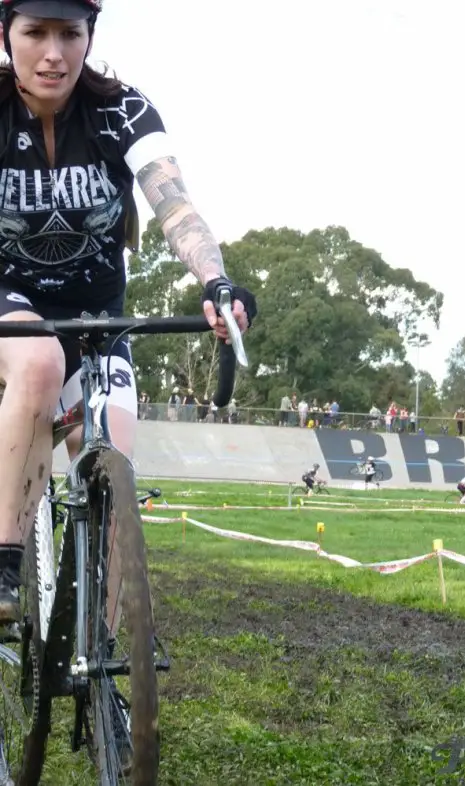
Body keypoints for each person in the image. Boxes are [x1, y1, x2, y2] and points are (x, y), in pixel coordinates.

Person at [0, 0, 257, 625]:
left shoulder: (121, 109)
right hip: (12, 307)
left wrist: (217, 280)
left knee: (115, 472)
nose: (54, 53)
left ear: (91, 37)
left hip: (97, 319)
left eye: (71, 34)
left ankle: (105, 659)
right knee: (36, 360)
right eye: (36, 33)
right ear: (7, 35)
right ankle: (5, 564)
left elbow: (174, 204)